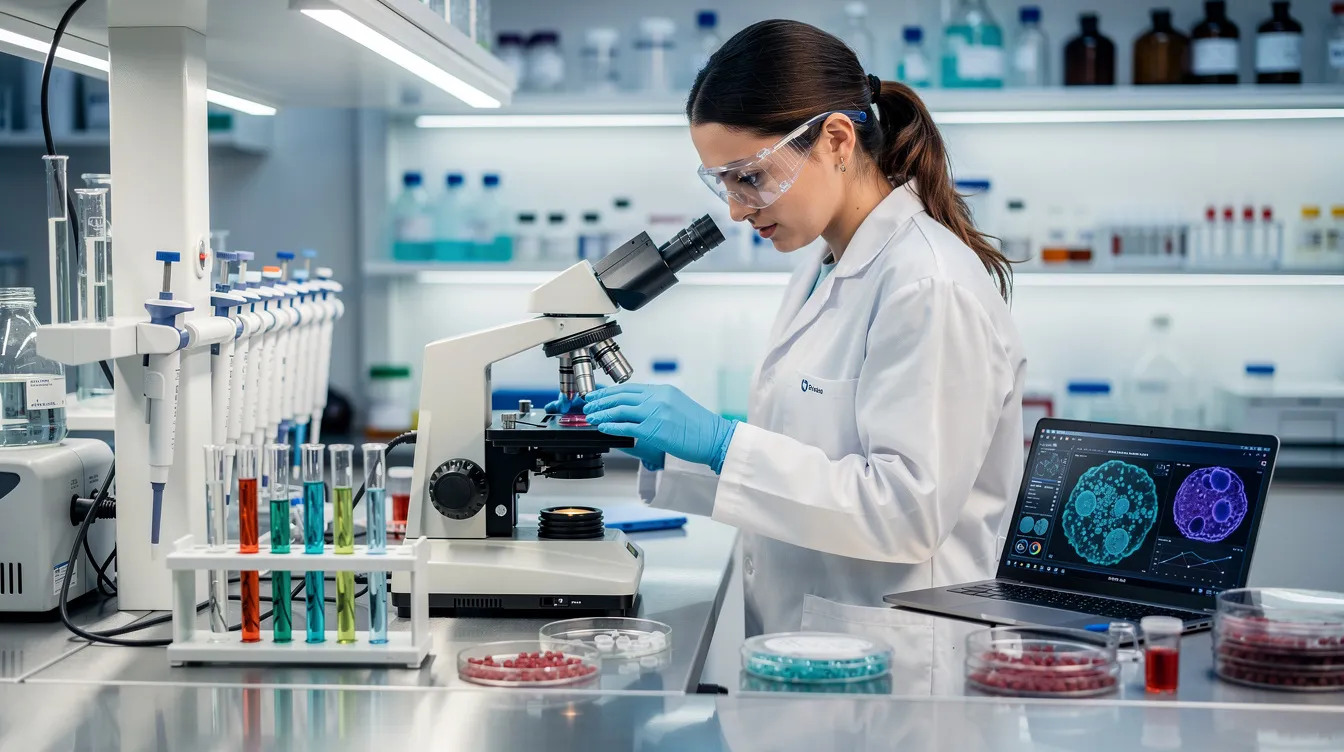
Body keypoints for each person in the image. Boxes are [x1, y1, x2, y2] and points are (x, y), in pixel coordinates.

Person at [569, 19, 1027, 661]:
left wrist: (722, 442)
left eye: (750, 177)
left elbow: (905, 512)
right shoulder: (823, 264)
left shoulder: (928, 283)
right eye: (721, 182)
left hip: (895, 670)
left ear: (836, 139)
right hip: (813, 646)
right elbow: (810, 458)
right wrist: (671, 454)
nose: (735, 208)